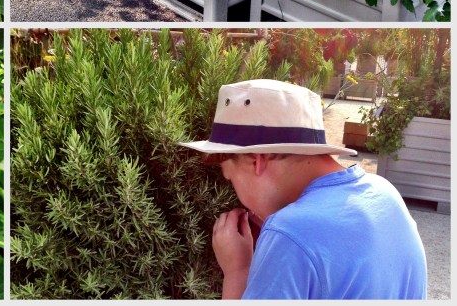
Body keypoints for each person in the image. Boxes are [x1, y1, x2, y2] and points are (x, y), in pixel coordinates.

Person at [180, 79, 427, 300]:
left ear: (257, 161)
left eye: (229, 177)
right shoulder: (384, 192)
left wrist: (238, 270)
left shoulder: (290, 233)